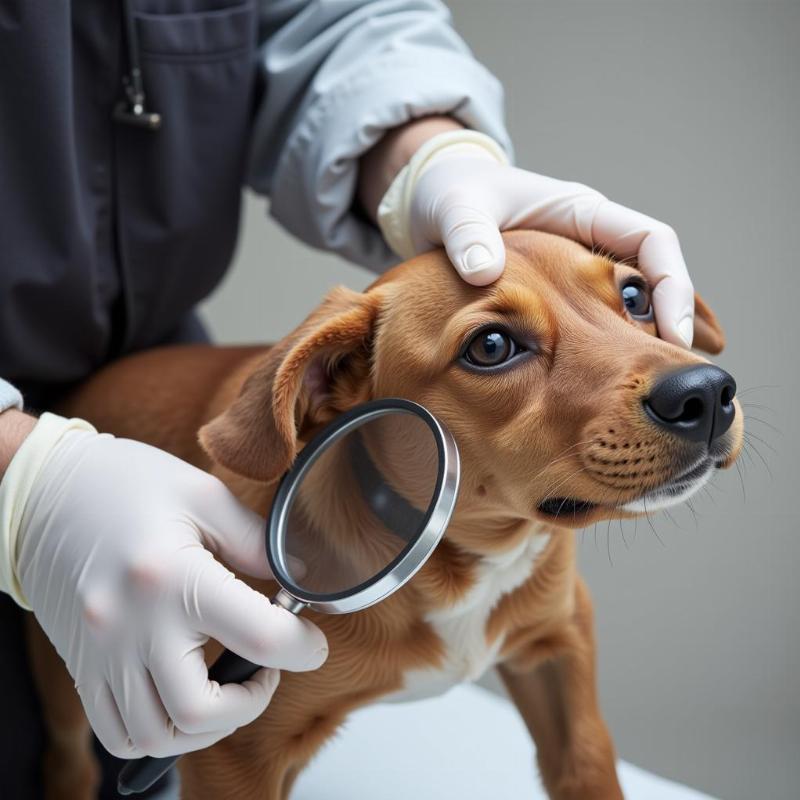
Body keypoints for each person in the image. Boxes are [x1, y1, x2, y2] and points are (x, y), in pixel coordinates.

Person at [0, 1, 695, 797]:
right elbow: (237, 751)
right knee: (68, 743)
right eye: (493, 345)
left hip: (151, 339)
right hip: (86, 478)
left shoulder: (528, 507)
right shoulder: (290, 555)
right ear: (324, 386)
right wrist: (24, 477)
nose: (680, 380)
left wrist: (430, 153)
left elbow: (330, 18)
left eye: (632, 300)